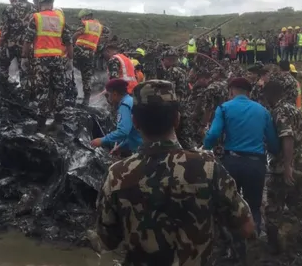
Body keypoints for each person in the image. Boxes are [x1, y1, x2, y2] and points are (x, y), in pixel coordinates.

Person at [94, 80, 255, 266]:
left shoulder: (117, 175)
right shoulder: (207, 168)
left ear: (135, 122)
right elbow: (247, 227)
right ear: (177, 120)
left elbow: (107, 240)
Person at [204, 77, 279, 235]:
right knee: (254, 204)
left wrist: (205, 147)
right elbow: (273, 142)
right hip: (256, 165)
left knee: (228, 204)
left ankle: (230, 243)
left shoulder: (224, 108)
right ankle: (254, 237)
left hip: (231, 163)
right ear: (249, 93)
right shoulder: (263, 111)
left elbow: (213, 134)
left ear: (231, 91)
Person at [263, 80, 302, 253]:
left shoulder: (279, 111)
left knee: (274, 206)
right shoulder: (294, 109)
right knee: (298, 206)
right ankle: (297, 245)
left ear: (270, 95)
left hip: (284, 167)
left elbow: (287, 137)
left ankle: (273, 250)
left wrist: (287, 165)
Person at [22, 0, 73, 132]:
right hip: (58, 59)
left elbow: (28, 40)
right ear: (52, 3)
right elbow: (68, 41)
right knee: (59, 89)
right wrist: (70, 59)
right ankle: (58, 122)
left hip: (42, 61)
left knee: (43, 90)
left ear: (40, 4)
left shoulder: (36, 17)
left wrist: (24, 57)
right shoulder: (60, 18)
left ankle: (41, 124)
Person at [90, 79, 142, 156]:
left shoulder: (124, 106)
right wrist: (121, 147)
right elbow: (132, 132)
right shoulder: (130, 101)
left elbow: (123, 131)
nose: (107, 99)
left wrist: (102, 140)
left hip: (140, 148)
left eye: (108, 95)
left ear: (114, 94)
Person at [0, 0, 36, 82]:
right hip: (27, 46)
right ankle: (26, 93)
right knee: (26, 72)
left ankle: (3, 90)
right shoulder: (34, 8)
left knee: (3, 67)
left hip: (11, 45)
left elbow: (4, 31)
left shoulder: (9, 8)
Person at [73, 9, 106, 105]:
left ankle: (72, 94)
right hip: (90, 54)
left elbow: (76, 34)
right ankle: (86, 100)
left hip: (79, 51)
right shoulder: (100, 26)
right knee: (86, 76)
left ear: (86, 16)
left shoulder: (85, 24)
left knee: (70, 70)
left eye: (82, 18)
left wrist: (72, 41)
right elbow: (108, 32)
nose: (81, 20)